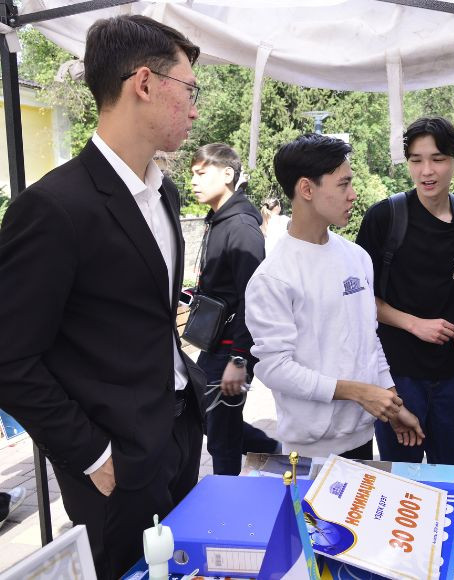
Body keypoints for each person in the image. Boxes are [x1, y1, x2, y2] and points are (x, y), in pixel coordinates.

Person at [0, 15, 205, 579]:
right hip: (116, 460)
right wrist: (93, 456)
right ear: (144, 83)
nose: (195, 110)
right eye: (189, 90)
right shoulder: (54, 207)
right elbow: (9, 358)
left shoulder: (164, 194)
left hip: (180, 429)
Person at [245, 134, 424, 459]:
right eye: (343, 185)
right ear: (306, 189)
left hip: (362, 436)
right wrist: (356, 392)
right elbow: (275, 368)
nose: (353, 195)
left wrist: (392, 405)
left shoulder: (356, 257)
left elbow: (369, 341)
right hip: (309, 451)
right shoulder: (273, 277)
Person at [356, 117, 454, 481]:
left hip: (453, 376)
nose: (426, 171)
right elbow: (360, 298)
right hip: (396, 378)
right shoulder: (384, 217)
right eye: (416, 160)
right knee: (400, 482)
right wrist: (414, 324)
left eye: (437, 159)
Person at [190, 143, 278, 475]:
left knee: (222, 438)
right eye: (193, 174)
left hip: (231, 350)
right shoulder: (218, 220)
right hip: (214, 346)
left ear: (228, 174)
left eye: (202, 173)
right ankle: (272, 449)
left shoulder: (240, 227)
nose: (194, 181)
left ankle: (225, 503)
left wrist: (239, 359)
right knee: (211, 422)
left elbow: (254, 298)